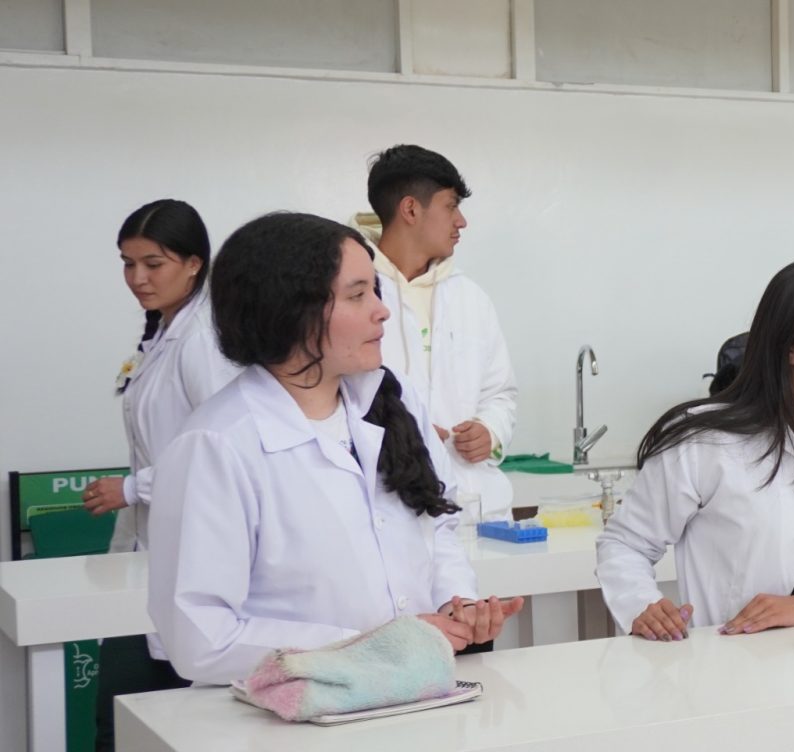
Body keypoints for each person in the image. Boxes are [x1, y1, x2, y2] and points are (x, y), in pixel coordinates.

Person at [147, 213, 519, 686]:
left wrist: (455, 603)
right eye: (357, 295)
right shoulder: (217, 445)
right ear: (291, 311)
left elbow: (437, 526)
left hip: (413, 689)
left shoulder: (394, 402)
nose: (382, 311)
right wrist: (371, 644)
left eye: (374, 291)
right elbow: (201, 640)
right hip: (286, 708)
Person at [597, 260, 794, 640]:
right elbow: (626, 543)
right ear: (790, 346)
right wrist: (641, 605)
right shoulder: (704, 441)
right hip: (728, 663)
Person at [87, 200, 240, 749]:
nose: (137, 278)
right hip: (148, 555)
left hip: (190, 560)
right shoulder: (165, 333)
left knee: (146, 725)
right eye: (128, 264)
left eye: (153, 264)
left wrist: (133, 488)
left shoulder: (203, 341)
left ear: (194, 264)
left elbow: (224, 453)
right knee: (122, 721)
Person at [361, 145, 518, 521]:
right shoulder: (355, 293)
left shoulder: (469, 297)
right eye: (451, 206)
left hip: (476, 506)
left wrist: (490, 430)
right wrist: (402, 431)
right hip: (389, 503)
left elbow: (501, 394)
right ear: (411, 209)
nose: (461, 222)